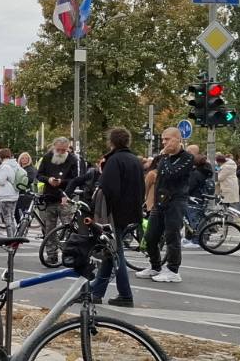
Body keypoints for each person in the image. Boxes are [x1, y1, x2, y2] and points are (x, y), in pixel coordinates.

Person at [91, 128, 143, 308]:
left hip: (114, 213)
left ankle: (125, 294)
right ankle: (96, 291)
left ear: (111, 142)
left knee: (115, 252)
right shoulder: (135, 160)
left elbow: (109, 189)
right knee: (111, 250)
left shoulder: (114, 160)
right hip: (131, 212)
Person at [138, 127, 194, 284]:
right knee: (150, 237)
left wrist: (164, 156)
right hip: (160, 202)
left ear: (177, 139)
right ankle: (155, 266)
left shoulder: (187, 158)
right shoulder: (164, 159)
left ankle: (173, 270)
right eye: (163, 139)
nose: (164, 142)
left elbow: (172, 174)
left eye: (167, 139)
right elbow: (157, 179)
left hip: (176, 201)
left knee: (172, 236)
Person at [36, 137, 80, 265]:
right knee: (49, 228)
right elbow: (39, 175)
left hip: (65, 197)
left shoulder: (72, 159)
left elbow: (75, 178)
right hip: (49, 196)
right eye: (58, 149)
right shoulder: (47, 157)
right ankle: (51, 255)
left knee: (68, 227)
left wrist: (62, 182)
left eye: (63, 150)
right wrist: (48, 179)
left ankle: (69, 254)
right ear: (54, 147)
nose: (60, 152)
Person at [0, 148, 22, 237]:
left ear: (0, 156)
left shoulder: (4, 166)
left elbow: (1, 181)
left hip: (5, 195)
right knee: (12, 216)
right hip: (14, 194)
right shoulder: (16, 165)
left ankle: (11, 239)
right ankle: (15, 236)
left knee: (7, 218)